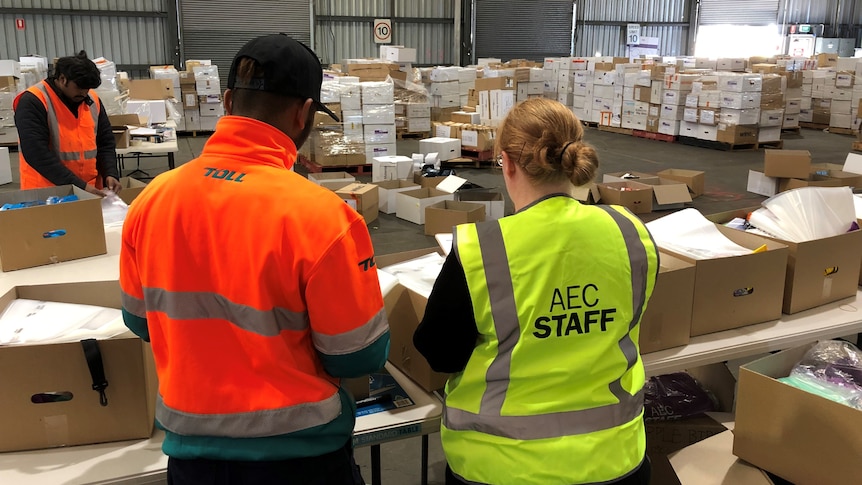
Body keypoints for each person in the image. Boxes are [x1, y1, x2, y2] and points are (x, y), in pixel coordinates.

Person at [119, 34, 390, 485]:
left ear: (227, 100)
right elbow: (357, 355)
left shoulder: (151, 201)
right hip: (301, 458)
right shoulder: (322, 216)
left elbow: (140, 323)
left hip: (192, 458)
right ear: (304, 113)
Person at [414, 98, 659, 485]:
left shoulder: (483, 249)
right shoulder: (629, 231)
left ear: (507, 164)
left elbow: (440, 353)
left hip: (500, 465)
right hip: (615, 459)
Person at [13, 50, 121, 195]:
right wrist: (79, 186)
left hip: (89, 191)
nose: (84, 93)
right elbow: (36, 153)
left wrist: (110, 173)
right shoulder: (34, 100)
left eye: (87, 89)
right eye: (79, 87)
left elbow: (105, 142)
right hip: (46, 193)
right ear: (62, 79)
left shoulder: (92, 100)